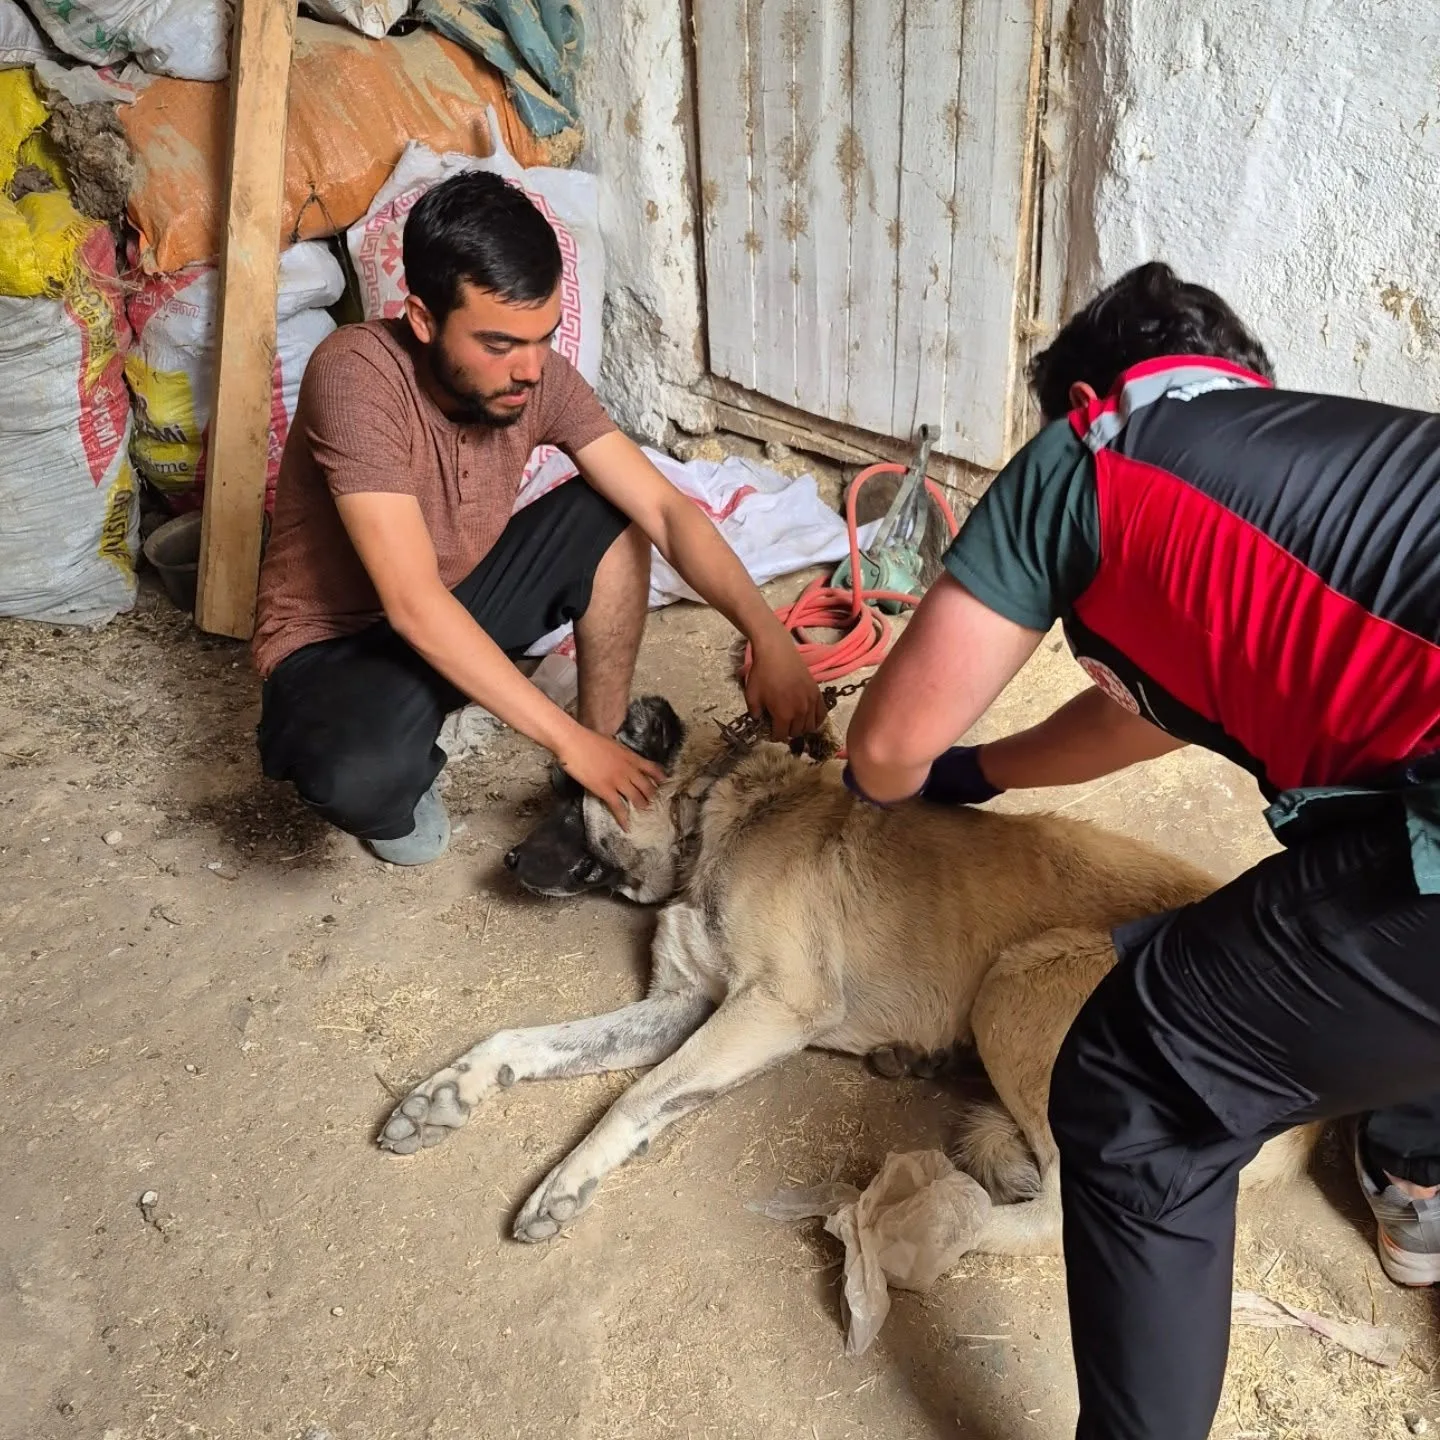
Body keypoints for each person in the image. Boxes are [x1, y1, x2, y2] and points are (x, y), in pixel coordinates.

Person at [843, 262, 1440, 1439]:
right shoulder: (1283, 467)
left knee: (1139, 1078)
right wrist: (983, 774)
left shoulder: (1093, 447)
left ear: (1085, 386)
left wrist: (922, 771)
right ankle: (1416, 1178)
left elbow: (882, 751)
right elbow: (1134, 714)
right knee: (1368, 878)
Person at [253, 170, 823, 880]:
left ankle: (601, 739)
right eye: (497, 344)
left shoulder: (536, 377)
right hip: (338, 647)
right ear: (425, 320)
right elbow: (410, 602)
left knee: (612, 509)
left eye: (542, 338)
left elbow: (667, 511)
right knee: (359, 776)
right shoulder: (357, 375)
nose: (528, 370)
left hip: (456, 601)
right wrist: (559, 740)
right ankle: (433, 756)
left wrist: (767, 636)